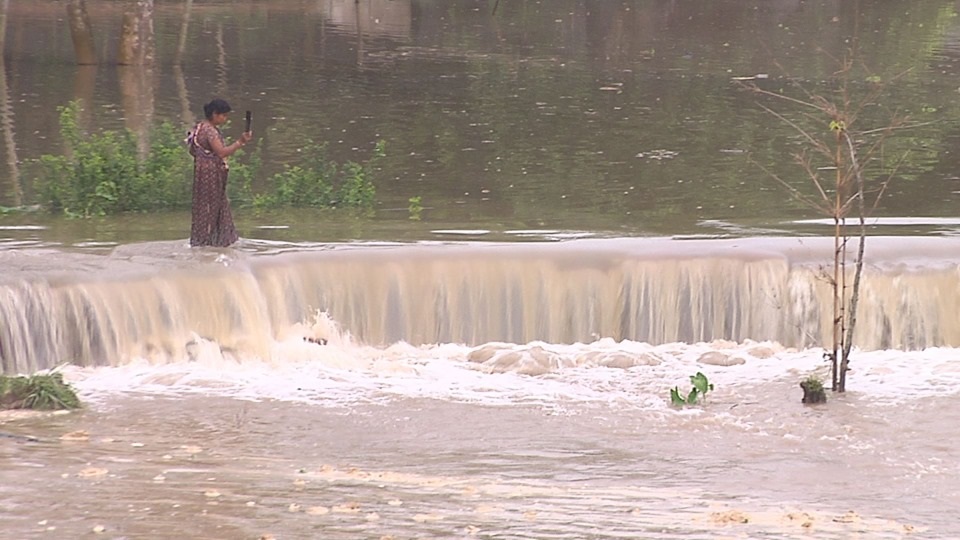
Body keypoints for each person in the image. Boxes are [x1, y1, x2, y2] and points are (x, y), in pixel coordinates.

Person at [187, 98, 253, 247]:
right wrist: (240, 142)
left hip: (201, 174)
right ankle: (212, 241)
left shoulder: (199, 128)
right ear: (215, 114)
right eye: (223, 115)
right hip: (210, 175)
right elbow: (221, 152)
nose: (225, 119)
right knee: (213, 207)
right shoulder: (210, 131)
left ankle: (203, 240)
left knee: (204, 207)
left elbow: (193, 151)